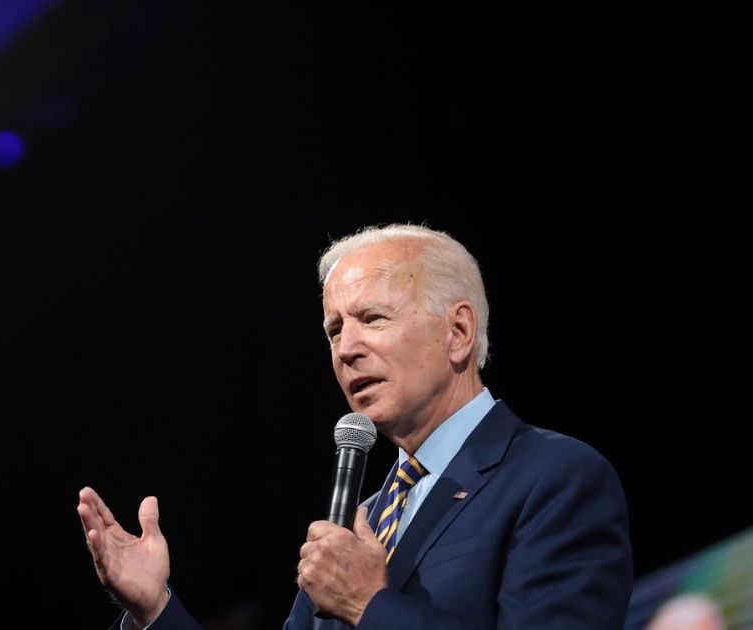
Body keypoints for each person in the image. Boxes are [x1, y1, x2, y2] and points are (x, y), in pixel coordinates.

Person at [77, 223, 633, 629]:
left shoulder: (553, 476)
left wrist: (371, 605)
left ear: (458, 333)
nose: (346, 349)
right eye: (334, 330)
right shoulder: (358, 522)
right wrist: (154, 609)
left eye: (373, 319)